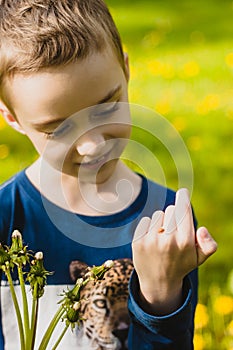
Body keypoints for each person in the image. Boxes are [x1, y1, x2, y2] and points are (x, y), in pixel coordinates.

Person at [0, 0, 217, 349]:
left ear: (126, 69)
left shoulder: (167, 221)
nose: (91, 145)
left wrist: (160, 297)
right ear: (12, 118)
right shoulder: (5, 217)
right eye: (58, 129)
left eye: (106, 107)